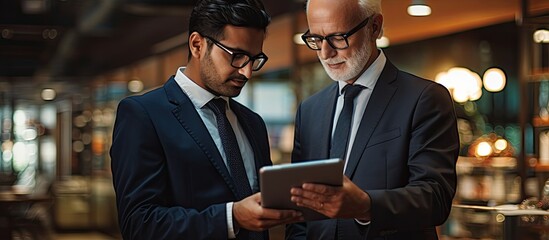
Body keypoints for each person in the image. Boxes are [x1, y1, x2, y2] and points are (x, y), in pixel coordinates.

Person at [110, 0, 302, 239]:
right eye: (238, 56)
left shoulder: (253, 123)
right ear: (197, 45)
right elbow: (139, 224)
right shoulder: (143, 115)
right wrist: (232, 218)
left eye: (255, 59)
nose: (247, 71)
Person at [285, 0, 459, 239]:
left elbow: (435, 197)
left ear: (375, 27)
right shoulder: (310, 109)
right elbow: (299, 212)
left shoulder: (424, 98)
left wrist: (366, 205)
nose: (326, 53)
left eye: (338, 37)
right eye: (316, 39)